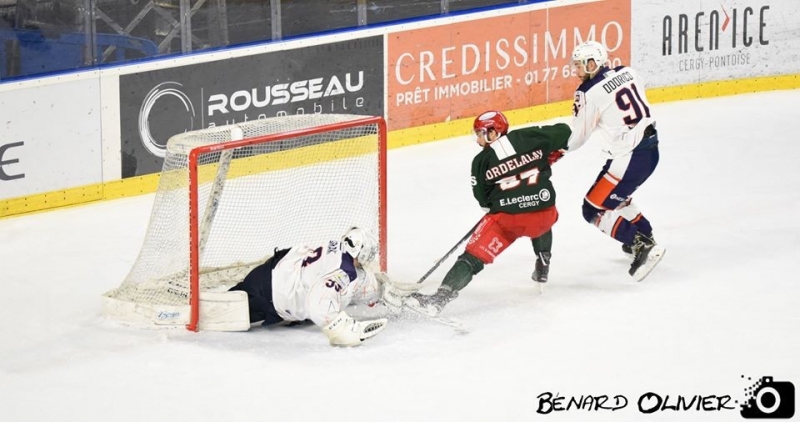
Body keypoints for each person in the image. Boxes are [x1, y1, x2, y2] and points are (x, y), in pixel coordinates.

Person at [401, 110, 571, 316]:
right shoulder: (530, 136)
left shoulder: (481, 160)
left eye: (480, 134)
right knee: (539, 211)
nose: (478, 140)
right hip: (546, 214)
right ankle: (543, 258)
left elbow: (485, 203)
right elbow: (565, 131)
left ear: (493, 133)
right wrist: (549, 153)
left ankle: (439, 300)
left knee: (471, 258)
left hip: (509, 221)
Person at [564, 40, 665, 281]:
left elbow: (577, 138)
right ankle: (646, 235)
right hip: (651, 151)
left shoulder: (587, 92)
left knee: (591, 208)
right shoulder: (627, 71)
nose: (575, 71)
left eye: (579, 65)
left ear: (592, 63)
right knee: (618, 198)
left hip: (628, 157)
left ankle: (641, 244)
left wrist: (555, 148)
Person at [227, 227, 388, 346]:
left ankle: (385, 293)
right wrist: (341, 329)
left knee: (226, 301)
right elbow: (318, 306)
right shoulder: (345, 272)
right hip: (270, 296)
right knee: (221, 312)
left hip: (270, 270)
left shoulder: (334, 246)